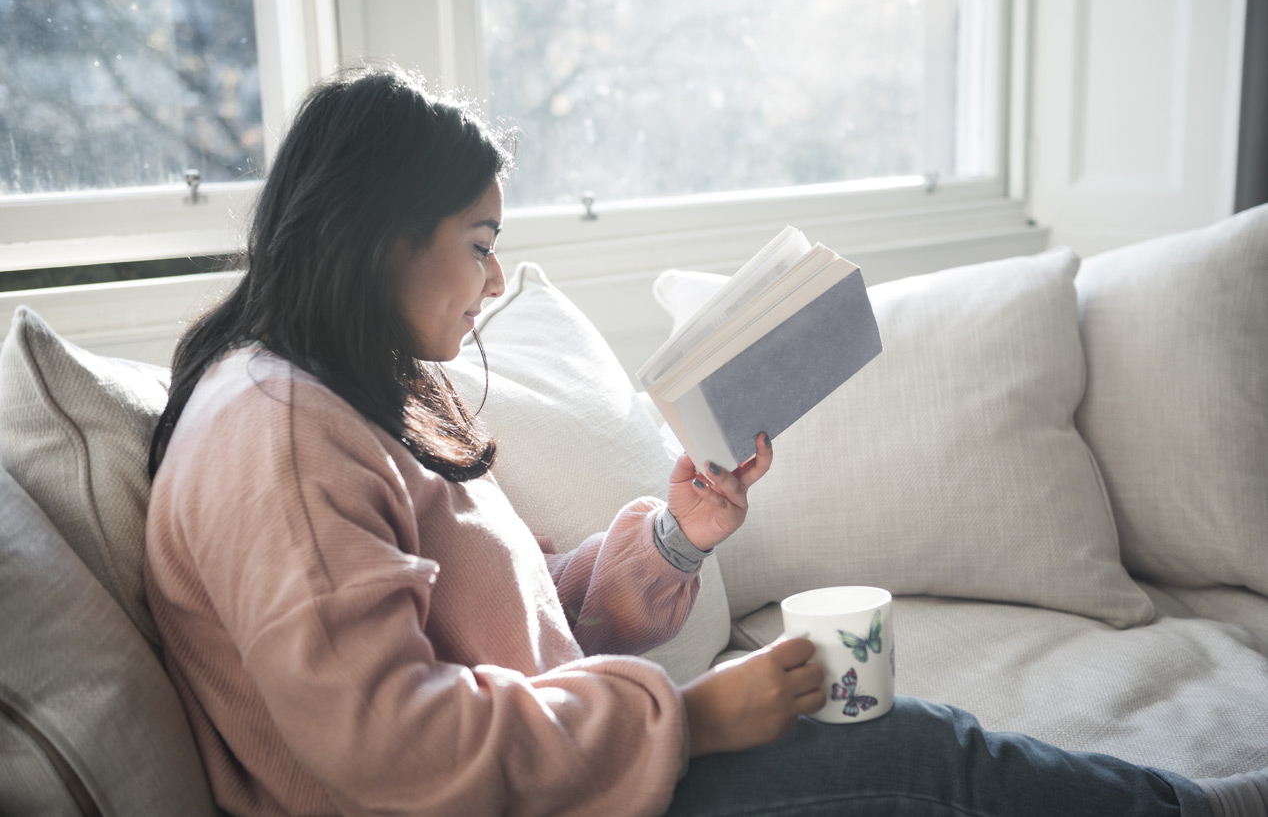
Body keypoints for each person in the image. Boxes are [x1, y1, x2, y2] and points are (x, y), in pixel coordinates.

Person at [144, 64, 1263, 817]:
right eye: (477, 242)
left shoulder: (348, 394)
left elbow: (509, 629)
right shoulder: (276, 432)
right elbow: (389, 747)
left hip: (558, 776)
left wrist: (674, 540)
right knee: (908, 750)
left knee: (891, 736)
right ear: (378, 234)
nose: (492, 281)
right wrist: (682, 716)